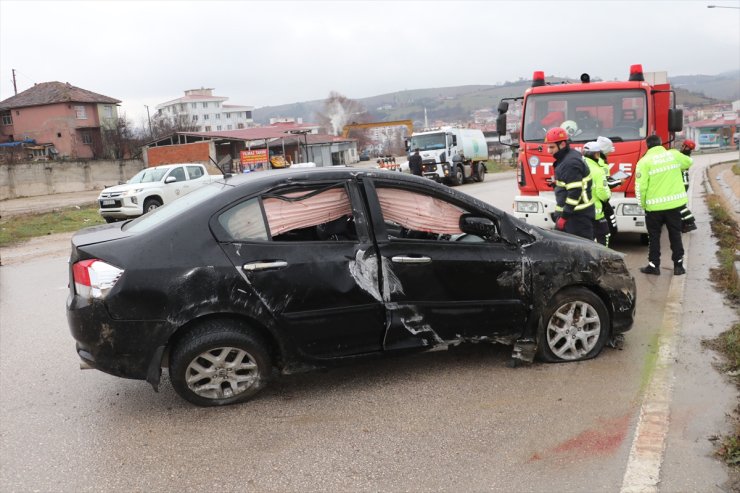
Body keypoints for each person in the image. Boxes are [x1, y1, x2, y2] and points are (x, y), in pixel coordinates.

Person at [635, 135, 688, 276]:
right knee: (675, 235)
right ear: (660, 143)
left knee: (654, 237)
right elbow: (688, 162)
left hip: (654, 209)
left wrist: (643, 205)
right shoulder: (673, 155)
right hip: (673, 206)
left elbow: (641, 187)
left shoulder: (644, 162)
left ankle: (654, 266)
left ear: (647, 146)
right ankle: (678, 266)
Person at [545, 127, 595, 240]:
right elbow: (571, 182)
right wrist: (557, 184)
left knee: (581, 251)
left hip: (576, 217)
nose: (549, 151)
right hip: (576, 215)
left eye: (552, 147)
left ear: (562, 144)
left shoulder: (569, 163)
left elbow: (575, 192)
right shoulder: (570, 156)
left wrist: (564, 217)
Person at [582, 141, 611, 246]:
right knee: (604, 237)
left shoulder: (577, 166)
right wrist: (608, 197)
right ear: (596, 154)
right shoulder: (598, 171)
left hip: (579, 212)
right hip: (596, 212)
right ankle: (603, 261)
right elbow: (602, 193)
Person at [669, 139, 697, 233]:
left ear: (686, 147)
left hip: (681, 184)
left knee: (679, 205)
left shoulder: (682, 156)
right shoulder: (686, 157)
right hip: (683, 183)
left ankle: (690, 222)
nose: (681, 147)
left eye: (683, 145)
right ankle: (684, 223)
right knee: (679, 203)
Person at [596, 136, 620, 236]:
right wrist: (619, 181)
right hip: (601, 201)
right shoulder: (602, 164)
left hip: (597, 200)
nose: (610, 152)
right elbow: (605, 184)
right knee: (610, 228)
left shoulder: (597, 161)